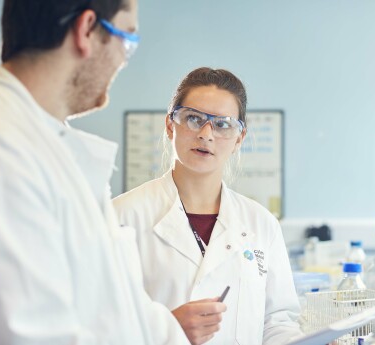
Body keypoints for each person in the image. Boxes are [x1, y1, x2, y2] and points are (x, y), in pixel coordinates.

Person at [0, 1, 195, 344]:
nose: (122, 61)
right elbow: (33, 336)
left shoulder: (47, 144)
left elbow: (115, 306)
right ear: (86, 30)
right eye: (127, 39)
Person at [113, 67, 303, 344]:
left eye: (223, 124)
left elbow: (277, 321)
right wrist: (164, 330)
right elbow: (97, 322)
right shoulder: (121, 216)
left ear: (239, 138)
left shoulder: (261, 223)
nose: (206, 134)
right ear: (170, 125)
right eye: (193, 118)